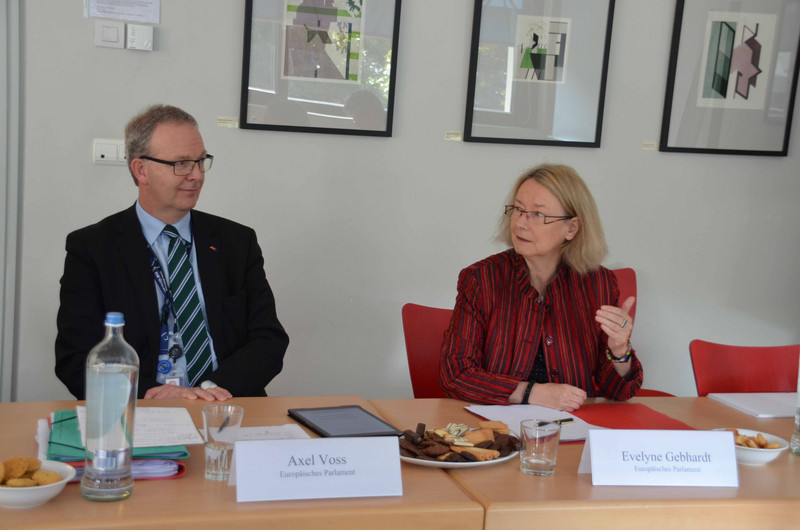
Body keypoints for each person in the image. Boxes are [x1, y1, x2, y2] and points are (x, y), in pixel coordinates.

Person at [55, 104, 289, 401]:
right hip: (139, 410)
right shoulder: (93, 248)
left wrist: (209, 390)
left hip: (224, 404)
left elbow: (268, 339)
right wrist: (151, 393)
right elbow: (76, 358)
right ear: (141, 170)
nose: (196, 175)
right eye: (181, 164)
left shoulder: (236, 242)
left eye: (200, 161)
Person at [439, 164, 642, 410]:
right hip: (500, 430)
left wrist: (619, 350)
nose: (521, 224)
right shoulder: (482, 279)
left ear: (571, 228)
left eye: (537, 214)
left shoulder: (598, 283)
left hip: (574, 426)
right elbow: (456, 374)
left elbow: (617, 392)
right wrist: (530, 393)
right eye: (518, 209)